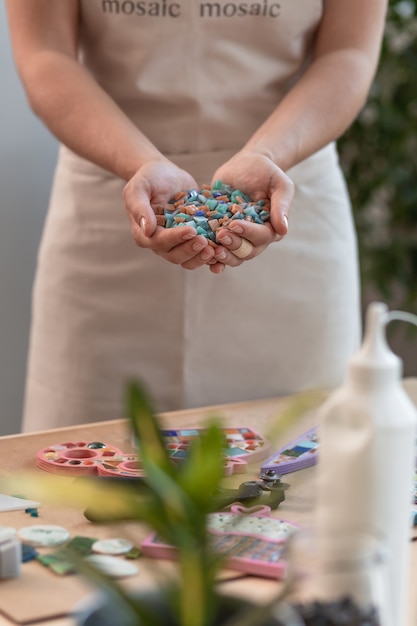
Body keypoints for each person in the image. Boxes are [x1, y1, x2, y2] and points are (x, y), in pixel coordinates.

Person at [6, 0, 388, 431]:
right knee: (91, 468)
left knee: (296, 460)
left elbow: (348, 52)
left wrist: (266, 153)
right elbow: (45, 54)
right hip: (111, 193)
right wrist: (139, 163)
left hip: (285, 183)